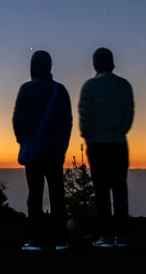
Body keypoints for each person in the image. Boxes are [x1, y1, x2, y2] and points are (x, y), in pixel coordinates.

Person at [13, 50, 72, 251]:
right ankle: (61, 240)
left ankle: (34, 239)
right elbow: (68, 121)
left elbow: (17, 119)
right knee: (57, 195)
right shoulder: (60, 90)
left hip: (33, 152)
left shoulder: (26, 89)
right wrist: (62, 146)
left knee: (34, 195)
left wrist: (23, 141)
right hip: (55, 151)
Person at [78, 47, 134, 248]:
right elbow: (129, 114)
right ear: (112, 62)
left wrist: (90, 137)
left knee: (101, 191)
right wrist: (119, 131)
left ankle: (106, 236)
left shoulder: (89, 87)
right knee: (120, 189)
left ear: (95, 64)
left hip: (97, 145)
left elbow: (84, 116)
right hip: (118, 143)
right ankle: (122, 235)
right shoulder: (124, 85)